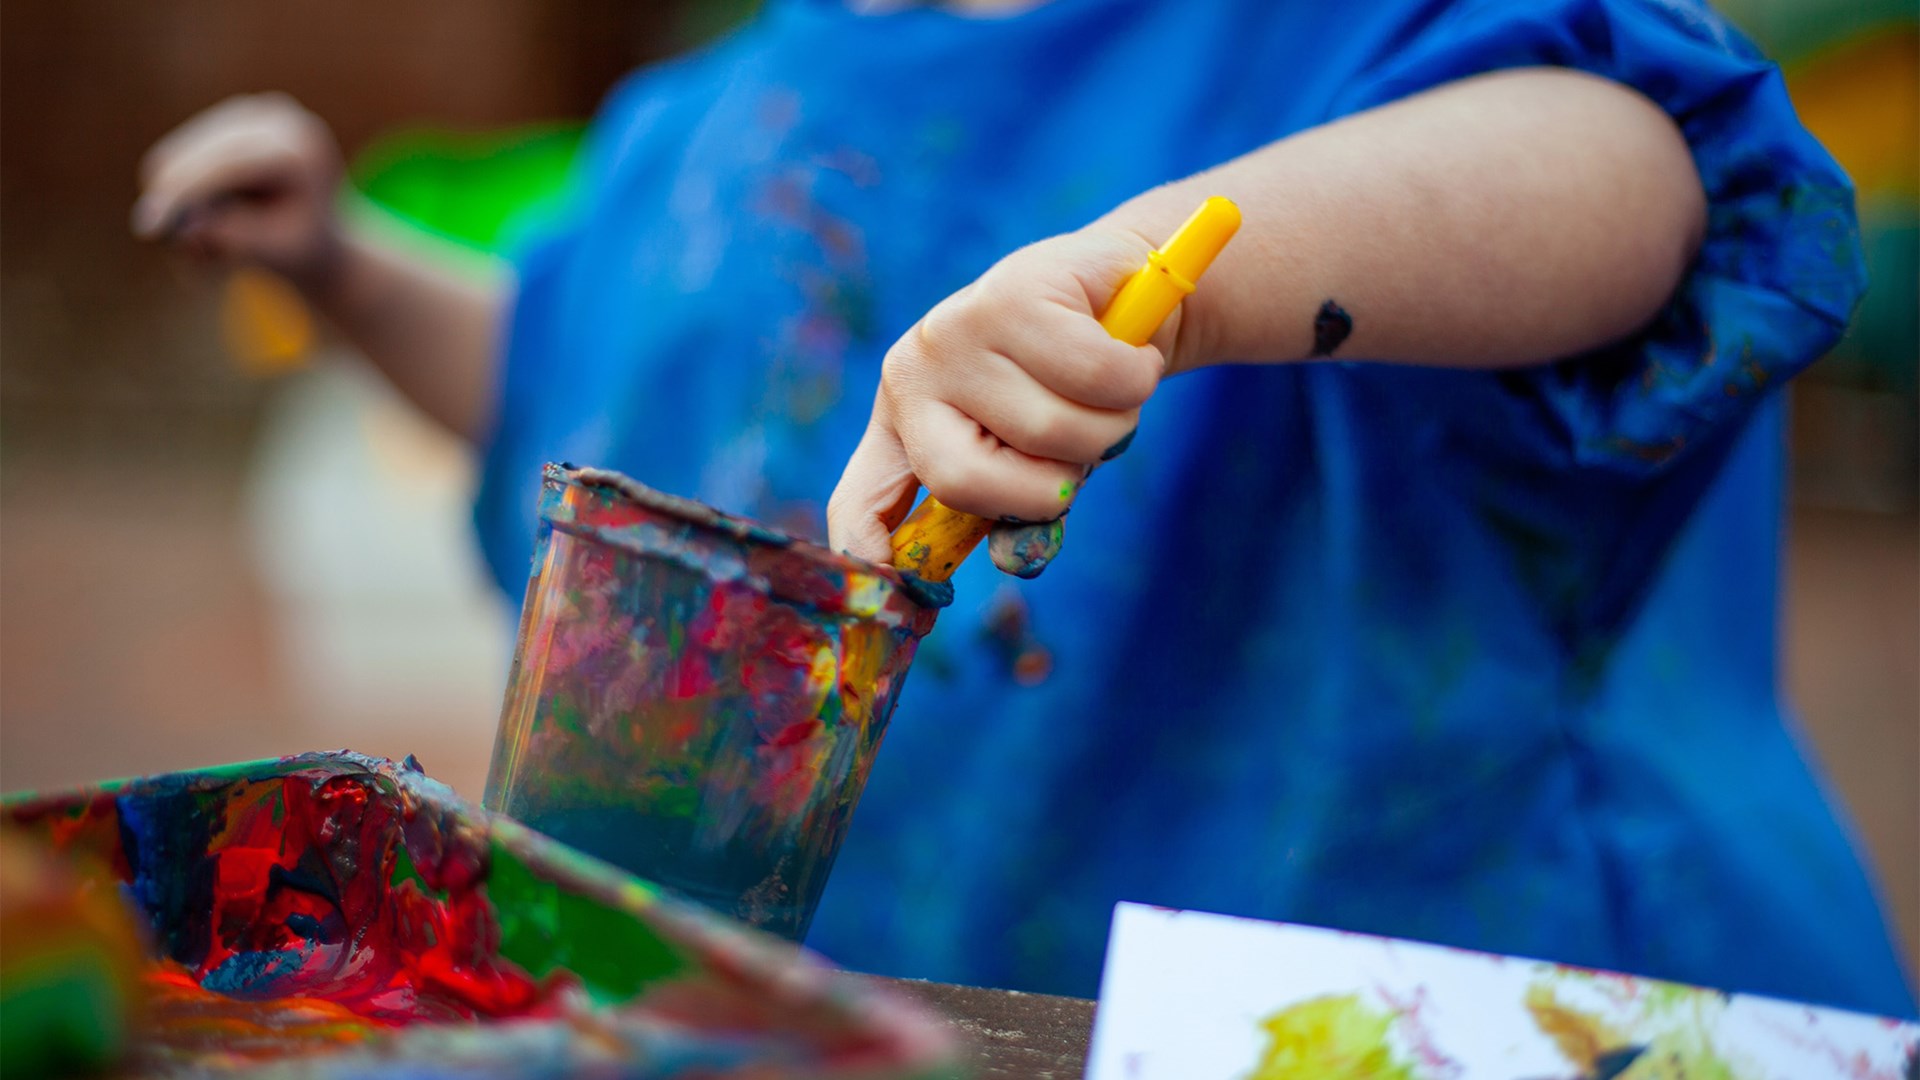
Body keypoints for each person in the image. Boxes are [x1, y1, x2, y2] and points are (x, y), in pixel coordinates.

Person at [134, 0, 1915, 1018]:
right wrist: (349, 272)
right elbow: (592, 391)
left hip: (1436, 1005)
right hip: (947, 1003)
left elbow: (1639, 174)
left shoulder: (1348, 35)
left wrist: (1160, 273)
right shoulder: (707, 114)